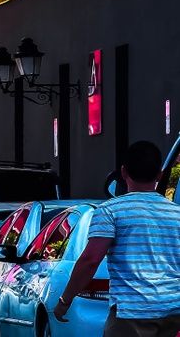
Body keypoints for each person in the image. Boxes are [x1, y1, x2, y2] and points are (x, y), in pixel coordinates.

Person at [54, 141, 180, 336]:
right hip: (172, 311)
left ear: (123, 172)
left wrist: (65, 300)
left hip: (131, 314)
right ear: (159, 175)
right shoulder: (176, 213)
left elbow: (91, 260)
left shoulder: (110, 211)